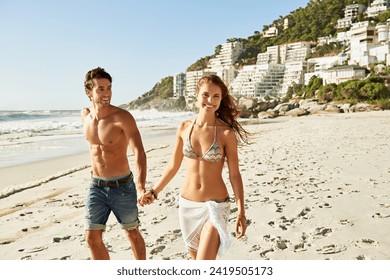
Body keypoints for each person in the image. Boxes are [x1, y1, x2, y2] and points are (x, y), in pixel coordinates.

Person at [140, 75, 250, 260]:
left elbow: (235, 175)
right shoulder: (184, 127)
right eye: (206, 95)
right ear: (196, 96)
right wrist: (154, 191)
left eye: (216, 96)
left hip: (215, 207)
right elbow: (173, 166)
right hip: (187, 206)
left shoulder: (225, 133)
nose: (210, 100)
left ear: (221, 99)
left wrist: (241, 211)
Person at [81, 67, 147, 260]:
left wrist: (142, 186)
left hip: (122, 186)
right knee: (92, 238)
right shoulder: (85, 115)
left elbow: (139, 152)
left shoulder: (122, 117)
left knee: (132, 233)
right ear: (89, 92)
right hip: (96, 186)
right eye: (100, 89)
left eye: (109, 88)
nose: (106, 93)